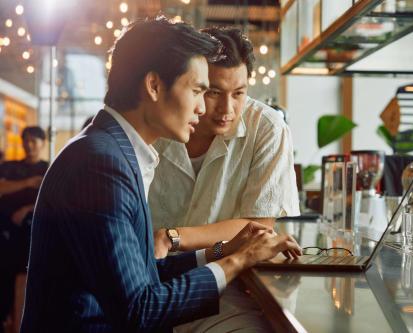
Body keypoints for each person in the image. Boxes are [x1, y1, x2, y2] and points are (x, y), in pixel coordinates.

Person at [21, 17, 301, 333]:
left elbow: (141, 274)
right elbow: (140, 311)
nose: (202, 108)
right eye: (198, 90)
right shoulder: (101, 166)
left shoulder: (108, 149)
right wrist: (237, 262)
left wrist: (222, 251)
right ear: (154, 86)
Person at [148, 27, 300, 332]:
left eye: (239, 93)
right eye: (213, 92)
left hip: (226, 286)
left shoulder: (267, 129)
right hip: (153, 280)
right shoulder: (158, 123)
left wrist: (171, 236)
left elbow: (258, 225)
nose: (227, 110)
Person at [0, 126, 48, 328]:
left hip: (29, 232)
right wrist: (28, 182)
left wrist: (28, 209)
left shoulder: (48, 168)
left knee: (24, 277)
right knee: (4, 277)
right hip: (4, 229)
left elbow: (51, 200)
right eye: (26, 141)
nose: (29, 145)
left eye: (33, 141)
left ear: (42, 144)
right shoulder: (10, 167)